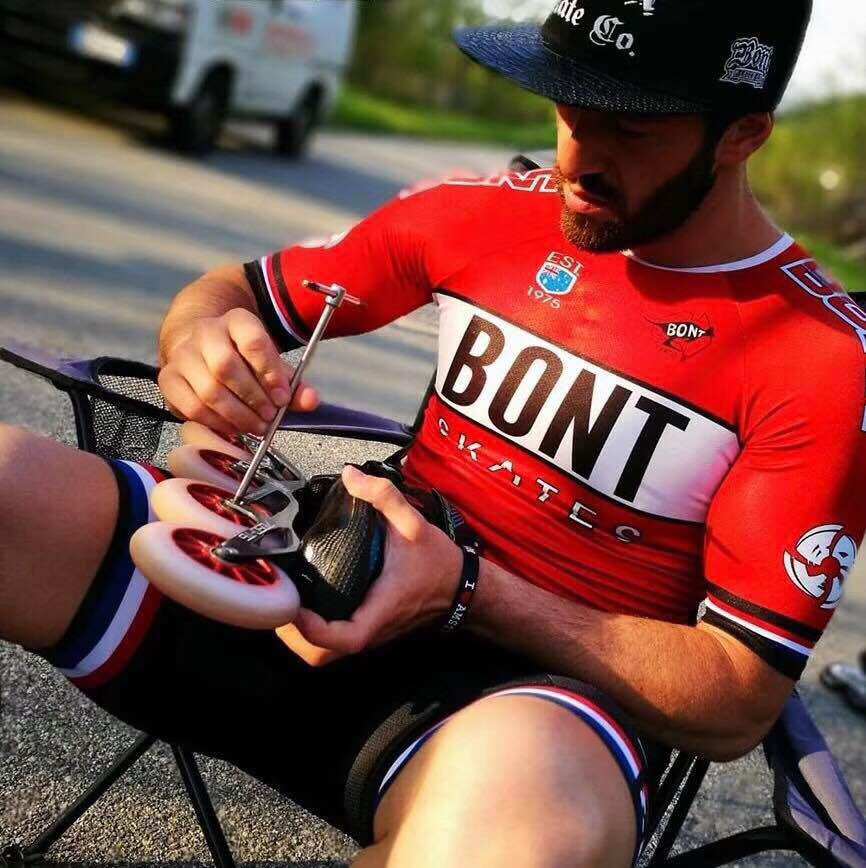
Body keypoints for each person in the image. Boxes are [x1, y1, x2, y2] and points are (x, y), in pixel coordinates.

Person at [1, 0, 863, 865]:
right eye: (567, 106)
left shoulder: (820, 357)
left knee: (517, 847)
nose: (577, 157)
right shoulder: (488, 210)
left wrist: (467, 589)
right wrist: (200, 338)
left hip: (523, 713)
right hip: (304, 577)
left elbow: (738, 699)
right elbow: (235, 291)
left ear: (742, 134)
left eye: (629, 129)